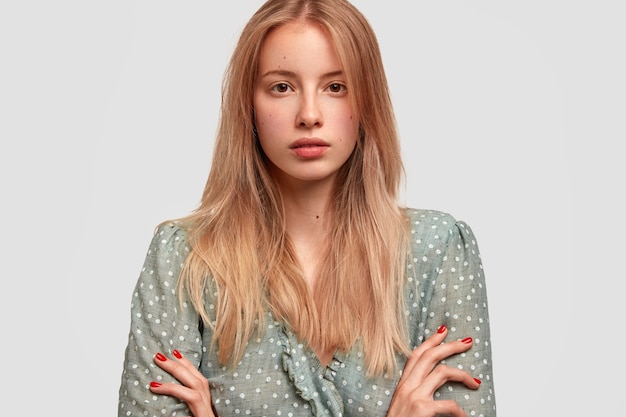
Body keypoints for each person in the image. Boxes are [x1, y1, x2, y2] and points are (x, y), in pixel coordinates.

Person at [117, 0, 496, 416]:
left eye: (336, 87)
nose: (310, 115)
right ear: (250, 107)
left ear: (367, 102)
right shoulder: (185, 258)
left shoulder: (437, 252)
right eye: (282, 87)